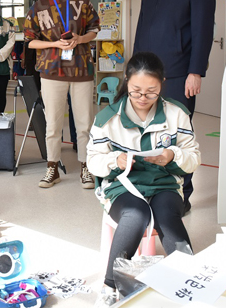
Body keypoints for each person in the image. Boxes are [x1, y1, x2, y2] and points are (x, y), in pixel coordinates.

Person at [87, 52, 200, 306]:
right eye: (136, 91)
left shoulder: (177, 113)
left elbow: (194, 158)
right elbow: (93, 161)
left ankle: (190, 282)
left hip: (164, 184)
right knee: (135, 215)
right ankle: (109, 286)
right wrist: (115, 160)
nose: (142, 99)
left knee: (167, 215)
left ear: (162, 84)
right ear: (127, 81)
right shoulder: (108, 118)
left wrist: (173, 155)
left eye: (151, 92)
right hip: (122, 186)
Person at [133, 0, 215, 212]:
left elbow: (203, 29)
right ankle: (154, 190)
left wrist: (196, 71)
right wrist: (134, 69)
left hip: (180, 73)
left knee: (178, 136)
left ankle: (181, 196)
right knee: (148, 133)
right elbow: (142, 25)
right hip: (147, 74)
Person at [25, 0, 99, 189]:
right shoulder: (40, 5)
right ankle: (52, 168)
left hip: (81, 69)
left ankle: (86, 168)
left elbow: (95, 28)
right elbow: (30, 41)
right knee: (53, 124)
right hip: (52, 71)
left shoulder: (81, 0)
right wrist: (55, 44)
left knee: (85, 123)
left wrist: (80, 38)